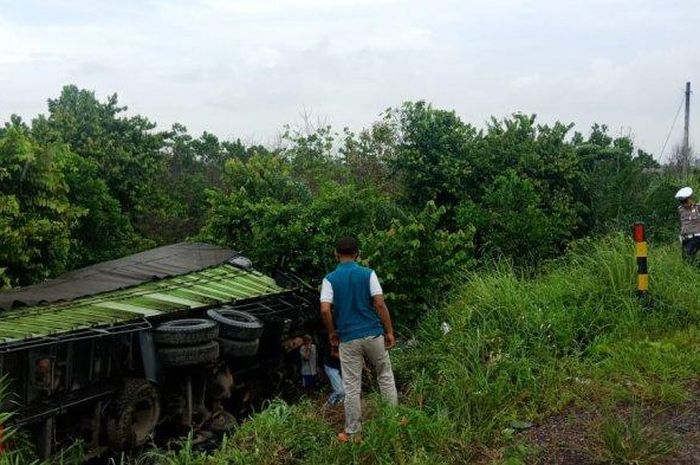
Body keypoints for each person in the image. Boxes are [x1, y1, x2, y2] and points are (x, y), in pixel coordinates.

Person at [319, 236, 398, 442]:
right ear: (357, 254)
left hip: (348, 339)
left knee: (352, 386)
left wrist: (332, 332)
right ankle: (392, 422)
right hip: (373, 334)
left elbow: (325, 310)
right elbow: (380, 304)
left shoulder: (330, 279)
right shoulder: (368, 274)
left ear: (336, 254)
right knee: (385, 376)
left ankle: (353, 433)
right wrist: (389, 331)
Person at [676, 187, 700, 260]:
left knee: (689, 258)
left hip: (696, 237)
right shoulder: (681, 209)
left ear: (690, 199)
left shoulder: (698, 208)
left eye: (686, 201)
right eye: (682, 202)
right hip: (686, 238)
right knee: (686, 260)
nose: (684, 204)